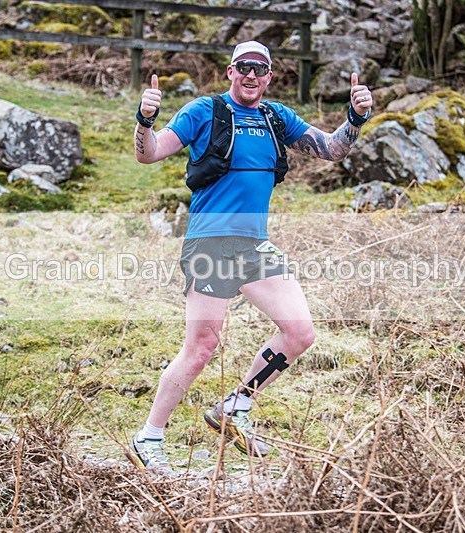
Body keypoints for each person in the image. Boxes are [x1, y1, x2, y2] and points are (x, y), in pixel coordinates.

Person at [129, 41, 373, 469]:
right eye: (244, 67)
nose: (251, 75)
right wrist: (145, 119)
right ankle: (149, 437)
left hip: (255, 246)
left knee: (299, 334)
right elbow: (148, 154)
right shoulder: (203, 111)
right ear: (230, 72)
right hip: (209, 242)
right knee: (202, 346)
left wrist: (355, 117)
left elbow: (333, 149)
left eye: (259, 69)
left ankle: (235, 406)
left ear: (269, 77)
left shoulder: (277, 116)